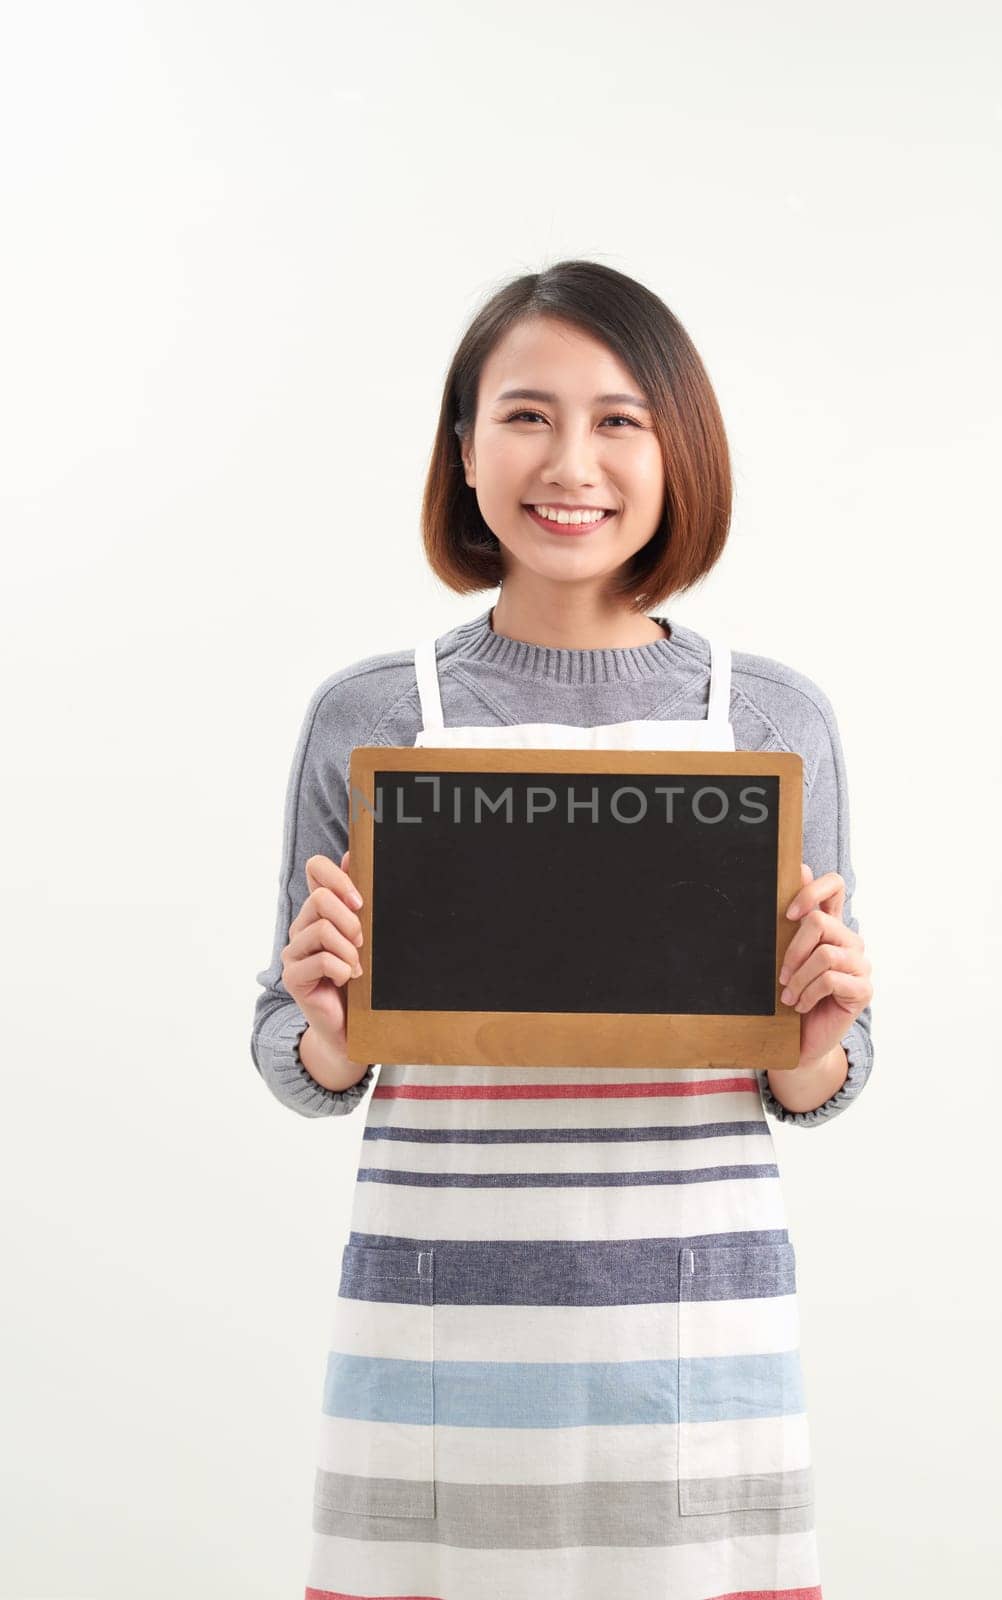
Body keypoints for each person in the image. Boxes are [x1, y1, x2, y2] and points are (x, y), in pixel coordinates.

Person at [251, 259, 874, 1600]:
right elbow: (293, 1051)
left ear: (677, 452)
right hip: (440, 1324)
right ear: (464, 449)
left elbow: (819, 1073)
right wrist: (322, 1030)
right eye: (526, 415)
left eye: (619, 420)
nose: (569, 462)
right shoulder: (374, 715)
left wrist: (818, 1039)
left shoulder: (768, 719)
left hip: (692, 1321)